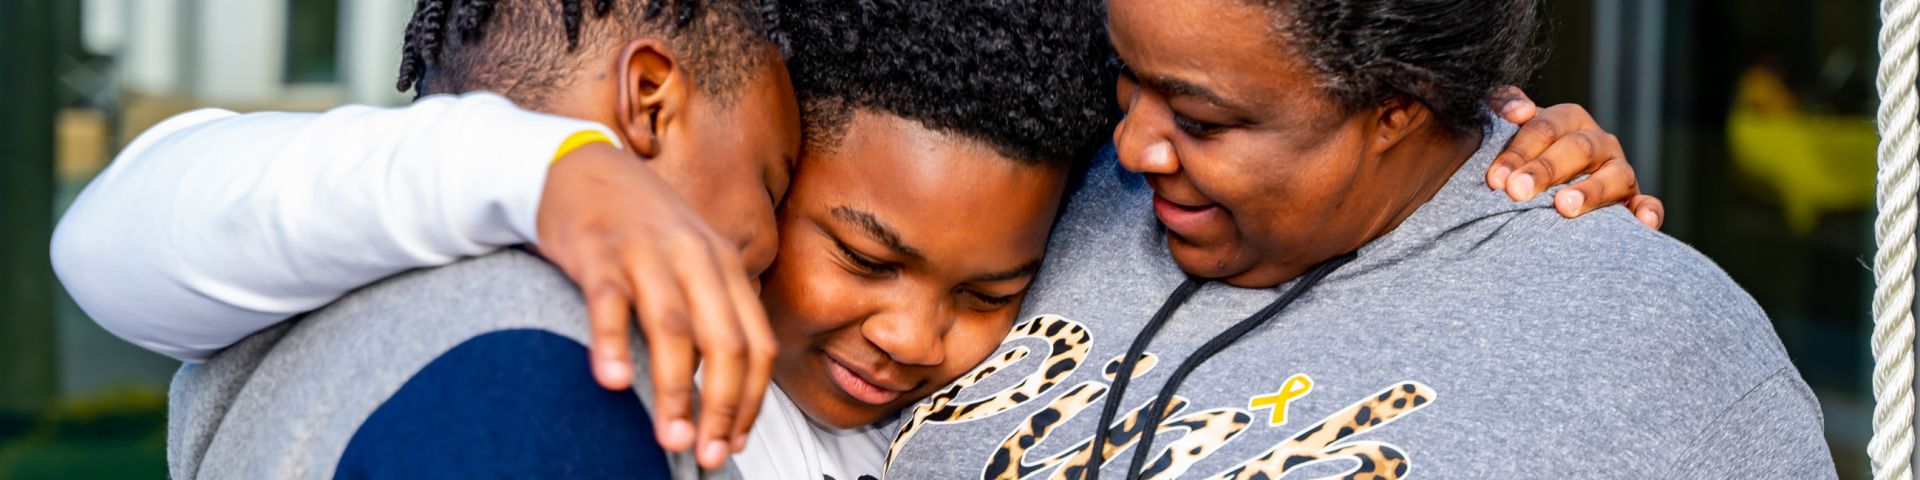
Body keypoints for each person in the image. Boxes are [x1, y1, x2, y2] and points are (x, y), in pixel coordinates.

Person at [56, 0, 1662, 479]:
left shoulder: (836, 390)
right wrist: (541, 172)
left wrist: (1467, 134)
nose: (909, 332)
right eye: (836, 238)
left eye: (988, 295)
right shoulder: (481, 266)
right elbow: (123, 230)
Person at [880, 0, 1835, 478]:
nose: (1132, 144)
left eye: (1203, 120)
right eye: (1126, 75)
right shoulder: (1039, 158)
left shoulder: (1658, 358)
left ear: (1396, 109)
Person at [54, 0, 794, 471]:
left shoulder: (324, 282)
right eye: (772, 184)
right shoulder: (542, 366)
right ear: (649, 101)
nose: (774, 244)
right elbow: (101, 241)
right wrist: (556, 168)